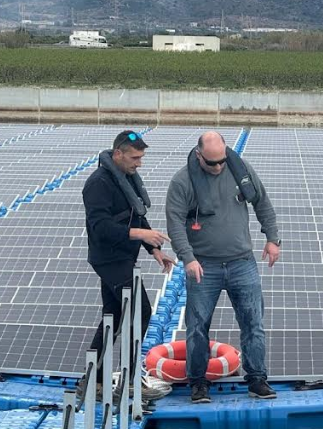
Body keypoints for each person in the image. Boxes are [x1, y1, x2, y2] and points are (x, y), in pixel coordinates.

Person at [165, 131, 281, 404]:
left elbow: (263, 203)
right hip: (204, 266)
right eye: (212, 163)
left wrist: (272, 238)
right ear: (198, 155)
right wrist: (188, 258)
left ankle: (257, 379)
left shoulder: (240, 170)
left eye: (222, 161)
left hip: (242, 262)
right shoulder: (183, 181)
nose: (218, 167)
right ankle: (198, 383)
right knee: (197, 327)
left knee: (253, 323)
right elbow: (174, 223)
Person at [81, 130, 176, 399]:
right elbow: (101, 228)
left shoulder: (126, 178)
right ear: (118, 154)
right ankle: (132, 380)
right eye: (135, 157)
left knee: (113, 316)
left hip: (123, 256)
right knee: (140, 312)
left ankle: (94, 381)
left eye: (141, 157)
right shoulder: (98, 183)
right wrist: (141, 235)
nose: (139, 163)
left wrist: (154, 249)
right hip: (108, 259)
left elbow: (136, 215)